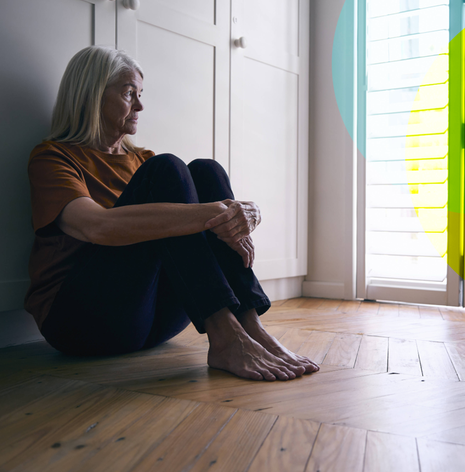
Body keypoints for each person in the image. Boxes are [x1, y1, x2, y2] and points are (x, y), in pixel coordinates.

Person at [25, 46, 319, 381]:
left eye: (140, 93)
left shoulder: (140, 160)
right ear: (91, 96)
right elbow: (97, 227)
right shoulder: (53, 158)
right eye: (128, 93)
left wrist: (240, 211)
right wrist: (219, 212)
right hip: (81, 322)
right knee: (167, 169)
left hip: (151, 321)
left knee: (206, 171)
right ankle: (225, 336)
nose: (140, 105)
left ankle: (250, 327)